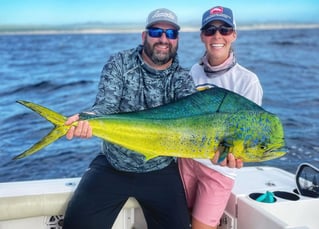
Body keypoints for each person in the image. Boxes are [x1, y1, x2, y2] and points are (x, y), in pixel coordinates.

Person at [178, 6, 263, 229]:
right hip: (186, 160)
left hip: (219, 169)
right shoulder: (191, 74)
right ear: (201, 36)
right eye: (210, 30)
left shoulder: (248, 81)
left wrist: (236, 153)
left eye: (225, 29)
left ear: (234, 34)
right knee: (179, 219)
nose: (217, 35)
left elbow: (248, 133)